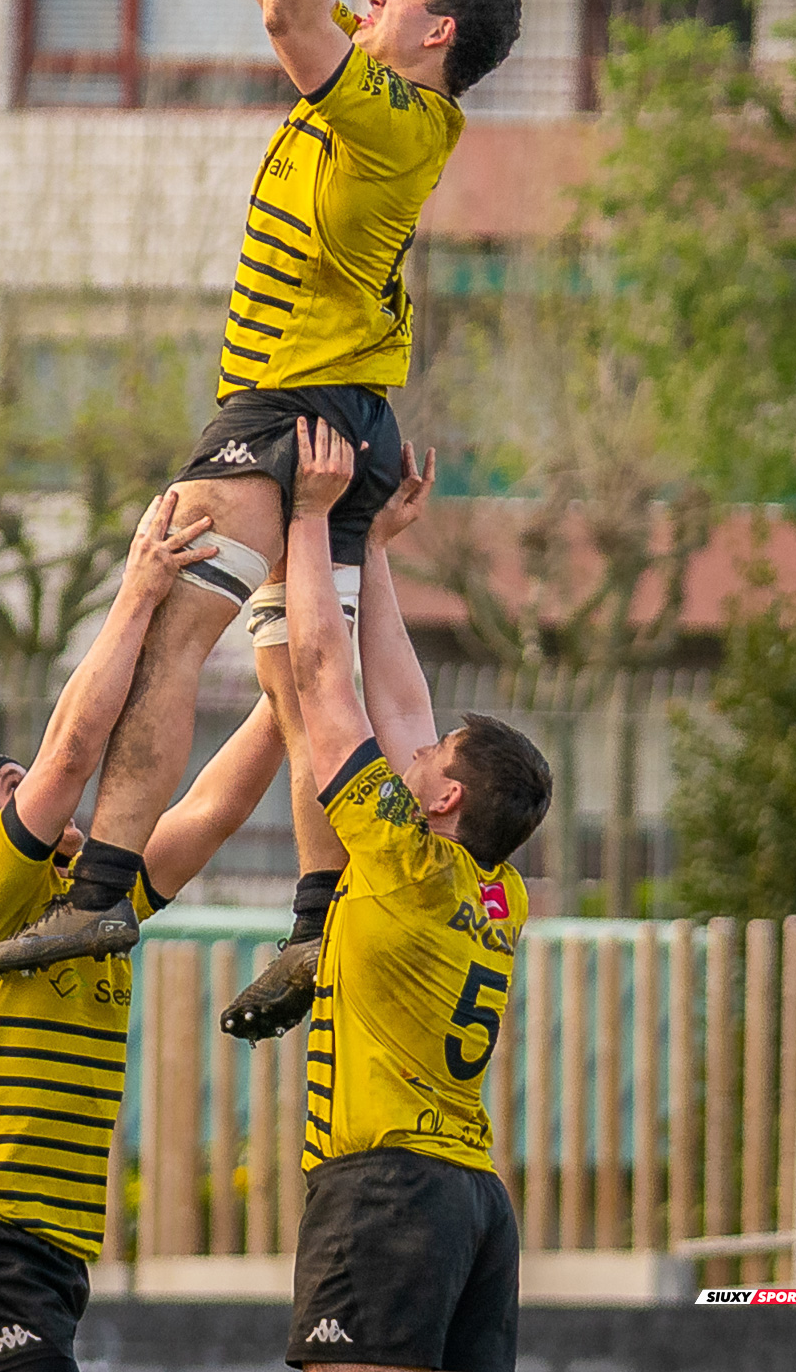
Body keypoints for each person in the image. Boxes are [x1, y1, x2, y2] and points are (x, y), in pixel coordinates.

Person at [0, 0, 522, 985]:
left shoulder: (393, 114)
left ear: (433, 32)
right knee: (293, 681)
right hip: (341, 425)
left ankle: (104, 887)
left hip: (285, 420)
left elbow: (285, 11)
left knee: (172, 639)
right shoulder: (376, 101)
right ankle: (315, 918)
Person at [0, 492, 289, 1372]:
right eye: (13, 783)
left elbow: (212, 812)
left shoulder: (91, 902)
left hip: (54, 1252)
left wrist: (287, 700)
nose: (36, 781)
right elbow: (76, 747)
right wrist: (138, 591)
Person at [283, 417, 551, 1372]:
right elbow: (403, 712)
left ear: (442, 800)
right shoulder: (496, 890)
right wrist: (375, 550)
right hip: (472, 1200)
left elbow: (324, 677)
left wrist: (313, 522)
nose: (416, 752)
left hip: (388, 1192)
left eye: (430, 762)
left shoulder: (401, 859)